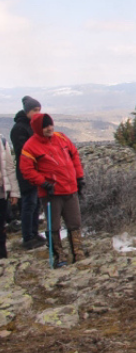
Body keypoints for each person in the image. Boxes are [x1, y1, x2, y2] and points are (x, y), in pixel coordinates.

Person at [19, 113, 86, 268]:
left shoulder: (61, 138)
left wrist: (79, 178)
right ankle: (58, 256)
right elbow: (26, 169)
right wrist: (43, 183)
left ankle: (78, 253)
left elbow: (74, 155)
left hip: (70, 189)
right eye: (45, 126)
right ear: (37, 128)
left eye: (50, 125)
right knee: (53, 226)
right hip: (51, 193)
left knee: (75, 223)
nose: (49, 128)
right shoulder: (30, 146)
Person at [10, 96, 46, 250]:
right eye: (34, 110)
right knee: (28, 203)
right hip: (26, 171)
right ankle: (27, 237)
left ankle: (34, 232)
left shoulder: (33, 126)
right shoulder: (19, 128)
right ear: (27, 111)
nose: (37, 113)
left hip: (37, 170)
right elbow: (23, 151)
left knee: (36, 202)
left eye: (39, 110)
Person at [0, 133, 21, 259]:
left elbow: (9, 167)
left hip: (1, 192)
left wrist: (14, 192)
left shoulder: (2, 141)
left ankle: (2, 258)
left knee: (1, 227)